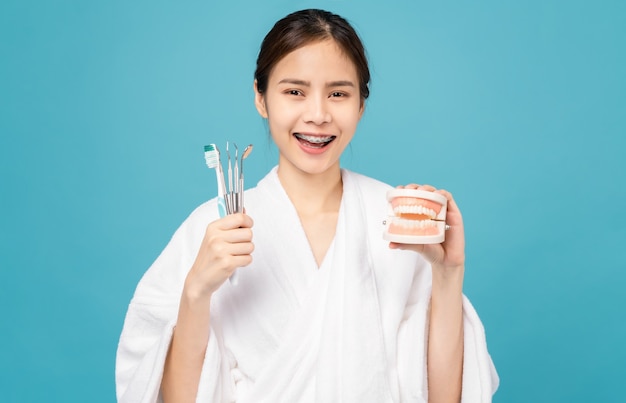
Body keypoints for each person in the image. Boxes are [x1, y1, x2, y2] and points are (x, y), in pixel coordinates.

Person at [116, 8, 498, 403]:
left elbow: (446, 398)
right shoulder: (212, 230)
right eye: (294, 91)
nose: (318, 115)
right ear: (261, 98)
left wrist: (449, 273)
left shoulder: (397, 224)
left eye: (338, 93)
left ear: (361, 105)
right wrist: (196, 291)